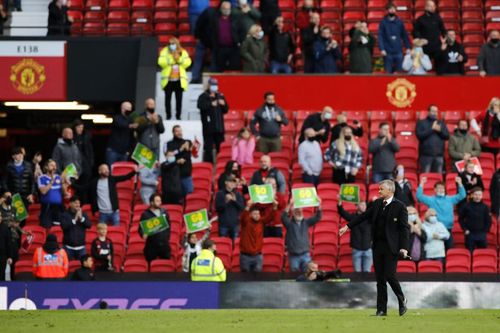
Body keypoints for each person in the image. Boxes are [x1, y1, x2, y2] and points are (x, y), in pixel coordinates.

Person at [339, 180, 409, 317]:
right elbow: (363, 216)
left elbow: (404, 229)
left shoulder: (400, 207)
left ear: (390, 191)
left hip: (391, 248)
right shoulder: (377, 203)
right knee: (380, 279)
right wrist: (347, 227)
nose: (379, 191)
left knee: (390, 275)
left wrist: (404, 248)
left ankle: (402, 299)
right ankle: (381, 310)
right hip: (377, 246)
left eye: (381, 189)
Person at [416, 176, 466, 249]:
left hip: (448, 228)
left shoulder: (450, 199)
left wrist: (460, 184)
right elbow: (419, 196)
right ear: (435, 190)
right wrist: (421, 184)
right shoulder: (431, 200)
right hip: (435, 230)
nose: (440, 190)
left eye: (442, 188)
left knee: (450, 249)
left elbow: (462, 195)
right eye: (438, 188)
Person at [282, 198, 322, 272]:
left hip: (305, 254)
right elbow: (283, 217)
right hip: (293, 255)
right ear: (293, 213)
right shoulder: (289, 224)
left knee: (308, 274)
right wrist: (290, 204)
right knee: (294, 276)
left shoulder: (306, 222)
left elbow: (317, 217)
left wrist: (319, 204)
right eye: (296, 211)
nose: (298, 213)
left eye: (300, 211)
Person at [158, 37, 192, 120]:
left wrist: (179, 59)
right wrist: (172, 60)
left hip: (179, 80)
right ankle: (168, 116)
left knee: (179, 99)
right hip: (168, 80)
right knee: (167, 99)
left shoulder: (183, 51)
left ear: (177, 44)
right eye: (170, 44)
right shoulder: (164, 51)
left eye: (173, 44)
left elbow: (188, 63)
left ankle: (178, 116)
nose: (171, 45)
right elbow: (161, 62)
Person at [197, 77, 229, 163]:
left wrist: (223, 104)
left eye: (215, 85)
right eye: (212, 85)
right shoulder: (203, 96)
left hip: (219, 128)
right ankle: (208, 165)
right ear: (209, 85)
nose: (214, 86)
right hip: (209, 128)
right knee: (208, 148)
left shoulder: (220, 95)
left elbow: (226, 110)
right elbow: (200, 106)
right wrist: (211, 104)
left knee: (221, 148)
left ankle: (221, 164)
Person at [240, 200, 277, 272]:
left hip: (257, 256)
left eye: (258, 214)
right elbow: (243, 217)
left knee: (258, 280)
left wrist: (274, 207)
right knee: (244, 279)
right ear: (250, 215)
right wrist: (247, 206)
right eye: (255, 214)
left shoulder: (261, 222)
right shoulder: (246, 222)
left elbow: (270, 217)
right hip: (246, 256)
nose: (257, 215)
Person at [338, 201, 372, 273]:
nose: (364, 206)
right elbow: (343, 213)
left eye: (365, 205)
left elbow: (375, 210)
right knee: (357, 273)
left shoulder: (369, 218)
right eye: (362, 205)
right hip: (357, 249)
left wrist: (373, 202)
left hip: (368, 249)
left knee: (367, 272)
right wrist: (339, 205)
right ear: (357, 207)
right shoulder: (353, 217)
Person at [378, 3, 411, 73]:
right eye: (390, 9)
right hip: (387, 52)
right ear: (387, 10)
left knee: (399, 73)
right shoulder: (383, 22)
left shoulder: (399, 21)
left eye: (393, 9)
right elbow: (380, 36)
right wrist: (382, 49)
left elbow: (404, 35)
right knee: (387, 73)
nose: (392, 11)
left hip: (398, 51)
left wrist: (408, 47)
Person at [416, 105, 449, 173]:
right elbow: (419, 136)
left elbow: (447, 136)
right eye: (433, 111)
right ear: (428, 112)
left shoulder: (441, 123)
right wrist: (432, 129)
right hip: (426, 156)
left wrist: (440, 131)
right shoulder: (421, 122)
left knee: (438, 178)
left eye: (436, 111)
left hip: (439, 156)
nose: (435, 113)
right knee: (425, 178)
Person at [139, 193, 171, 263]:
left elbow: (169, 227)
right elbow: (141, 229)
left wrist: (166, 238)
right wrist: (143, 234)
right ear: (152, 202)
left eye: (160, 201)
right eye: (157, 201)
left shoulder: (164, 213)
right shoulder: (145, 214)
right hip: (151, 245)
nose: (159, 203)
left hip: (164, 245)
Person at [459, 187, 492, 252]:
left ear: (482, 196)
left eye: (479, 195)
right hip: (470, 234)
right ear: (472, 195)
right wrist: (465, 229)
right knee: (470, 254)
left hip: (481, 234)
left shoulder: (485, 207)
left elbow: (488, 221)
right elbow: (461, 219)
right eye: (476, 194)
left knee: (482, 254)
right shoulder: (466, 206)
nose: (477, 197)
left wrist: (485, 231)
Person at [212, 1, 242, 72]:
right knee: (220, 69)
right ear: (221, 9)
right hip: (220, 48)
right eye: (224, 8)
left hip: (233, 48)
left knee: (234, 69)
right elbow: (211, 32)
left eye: (228, 9)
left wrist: (239, 42)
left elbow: (241, 31)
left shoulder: (236, 19)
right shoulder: (215, 20)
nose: (226, 10)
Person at [60, 196, 92, 261]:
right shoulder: (65, 215)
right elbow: (63, 226)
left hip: (81, 247)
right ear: (70, 204)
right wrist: (74, 220)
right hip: (68, 247)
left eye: (79, 203)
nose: (78, 205)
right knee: (67, 267)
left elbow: (89, 225)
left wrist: (81, 219)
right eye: (75, 203)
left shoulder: (83, 214)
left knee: (83, 268)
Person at [106, 101, 137, 167]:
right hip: (113, 150)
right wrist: (130, 126)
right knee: (111, 171)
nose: (129, 110)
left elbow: (132, 137)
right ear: (122, 109)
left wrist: (129, 151)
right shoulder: (116, 118)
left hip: (124, 152)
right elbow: (120, 124)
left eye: (130, 108)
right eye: (128, 108)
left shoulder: (131, 119)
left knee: (122, 172)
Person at [166, 125, 194, 196]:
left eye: (180, 131)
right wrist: (181, 150)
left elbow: (188, 154)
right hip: (175, 176)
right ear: (173, 132)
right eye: (177, 131)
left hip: (186, 174)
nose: (179, 133)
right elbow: (170, 156)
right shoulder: (169, 144)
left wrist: (183, 157)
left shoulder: (187, 142)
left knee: (189, 196)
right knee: (178, 198)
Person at [215, 175, 245, 240]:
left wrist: (234, 201)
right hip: (223, 224)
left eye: (233, 182)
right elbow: (217, 208)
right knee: (222, 244)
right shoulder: (220, 194)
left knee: (235, 245)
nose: (232, 184)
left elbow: (242, 207)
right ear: (226, 182)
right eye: (230, 182)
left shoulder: (238, 194)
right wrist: (226, 201)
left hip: (234, 224)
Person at [38, 159, 66, 228]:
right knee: (46, 227)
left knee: (58, 228)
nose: (54, 167)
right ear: (46, 167)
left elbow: (64, 192)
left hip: (59, 208)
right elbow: (43, 191)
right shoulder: (41, 178)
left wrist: (63, 183)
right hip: (47, 207)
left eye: (55, 165)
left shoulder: (59, 177)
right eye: (52, 165)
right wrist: (51, 181)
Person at [73, 120, 94, 204]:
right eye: (78, 127)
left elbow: (90, 151)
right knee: (75, 185)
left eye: (82, 127)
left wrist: (90, 163)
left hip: (85, 165)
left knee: (85, 185)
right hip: (74, 165)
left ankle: (85, 203)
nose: (80, 129)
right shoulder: (72, 138)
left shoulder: (86, 137)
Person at [0, 214, 12, 281]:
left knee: (1, 275)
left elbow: (8, 243)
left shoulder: (5, 228)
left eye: (0, 216)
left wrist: (9, 256)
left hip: (2, 255)